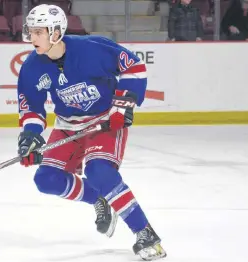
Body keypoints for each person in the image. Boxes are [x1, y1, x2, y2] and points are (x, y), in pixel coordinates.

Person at [16, 4, 167, 261]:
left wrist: (123, 103)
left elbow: (134, 67)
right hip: (67, 125)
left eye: (38, 32)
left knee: (99, 172)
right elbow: (31, 105)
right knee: (46, 180)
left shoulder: (92, 48)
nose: (32, 38)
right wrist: (30, 136)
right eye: (30, 31)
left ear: (55, 32)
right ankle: (100, 197)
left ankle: (146, 234)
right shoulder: (32, 66)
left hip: (104, 121)